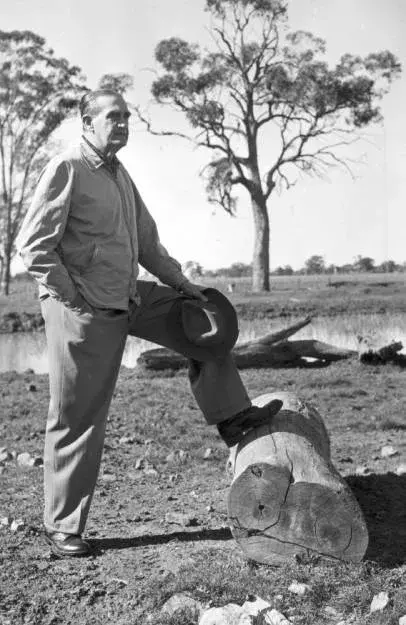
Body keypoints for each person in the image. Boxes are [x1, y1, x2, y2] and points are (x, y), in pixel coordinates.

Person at [16, 89, 283, 558]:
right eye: (112, 116)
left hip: (128, 295)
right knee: (78, 417)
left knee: (202, 321)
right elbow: (33, 244)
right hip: (81, 308)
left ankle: (232, 416)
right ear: (86, 122)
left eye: (126, 117)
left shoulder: (120, 175)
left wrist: (182, 283)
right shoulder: (68, 168)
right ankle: (62, 528)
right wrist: (71, 295)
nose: (121, 124)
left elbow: (148, 244)